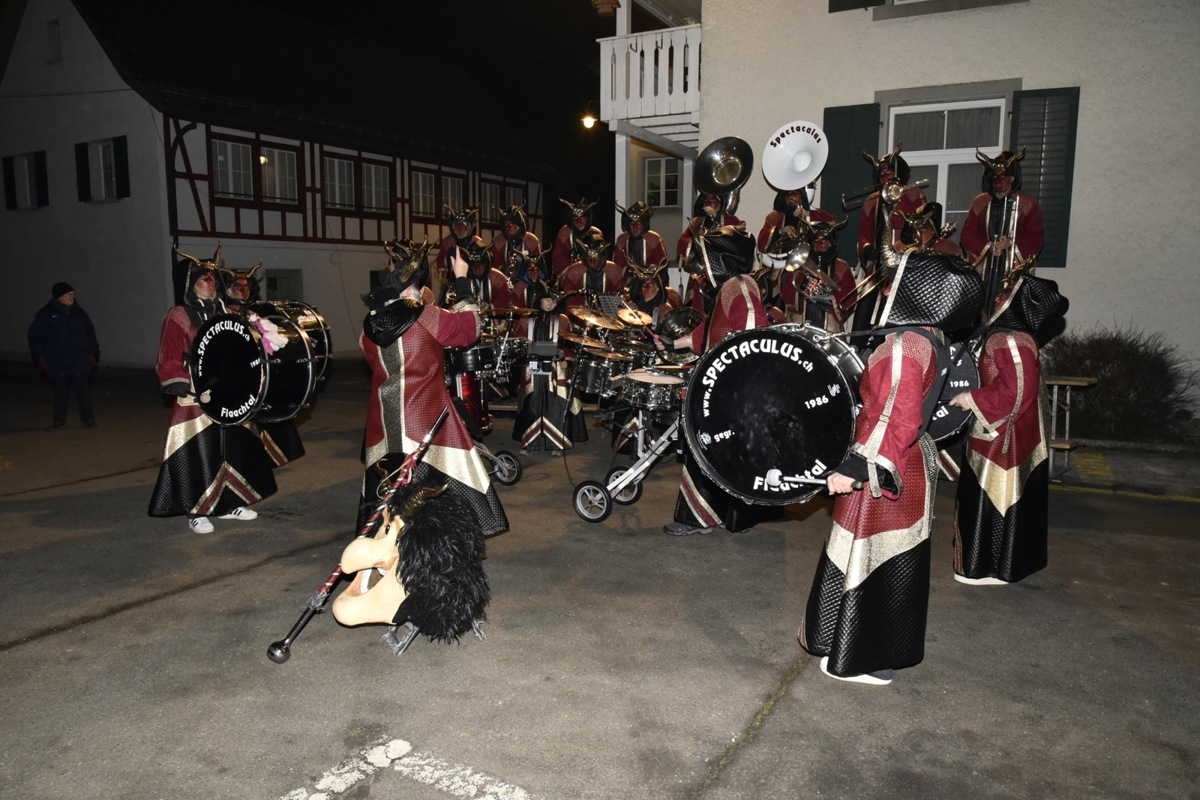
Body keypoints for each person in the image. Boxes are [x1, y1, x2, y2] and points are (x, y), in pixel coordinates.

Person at [797, 246, 985, 685]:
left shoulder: (906, 346)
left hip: (886, 467)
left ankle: (868, 659)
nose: (888, 283)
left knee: (878, 559)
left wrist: (858, 468)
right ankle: (841, 640)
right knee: (866, 556)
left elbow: (893, 415)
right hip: (903, 461)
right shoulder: (929, 338)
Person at [358, 241, 508, 539]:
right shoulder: (426, 317)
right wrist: (462, 280)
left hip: (384, 427)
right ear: (416, 282)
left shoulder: (368, 328)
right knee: (434, 499)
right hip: (426, 421)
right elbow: (469, 329)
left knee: (388, 496)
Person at [148, 245, 277, 534]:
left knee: (232, 448)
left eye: (211, 279)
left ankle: (229, 503)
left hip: (229, 393)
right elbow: (168, 355)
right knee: (198, 451)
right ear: (189, 284)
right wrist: (177, 381)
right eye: (202, 280)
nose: (209, 284)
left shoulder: (225, 310)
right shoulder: (178, 315)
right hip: (195, 394)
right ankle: (196, 509)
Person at [949, 275, 1068, 585]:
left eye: (1006, 295)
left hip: (1001, 440)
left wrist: (971, 398)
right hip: (1008, 433)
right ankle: (1000, 565)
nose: (998, 299)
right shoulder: (1015, 337)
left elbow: (1018, 391)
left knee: (991, 499)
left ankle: (986, 567)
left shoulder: (1008, 340)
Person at [655, 225, 771, 536]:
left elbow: (750, 332)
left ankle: (698, 518)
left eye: (706, 262)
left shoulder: (742, 288)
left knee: (706, 446)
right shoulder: (728, 288)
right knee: (711, 449)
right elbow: (708, 332)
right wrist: (671, 343)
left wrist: (736, 378)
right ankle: (709, 516)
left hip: (731, 388)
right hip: (721, 383)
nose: (701, 271)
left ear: (721, 260)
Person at [959, 147, 1045, 308]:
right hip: (985, 265)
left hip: (1012, 266)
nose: (998, 180)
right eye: (995, 176)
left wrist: (1011, 243)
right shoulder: (980, 202)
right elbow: (967, 234)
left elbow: (1036, 236)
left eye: (1003, 176)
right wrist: (989, 246)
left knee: (1009, 305)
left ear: (1012, 178)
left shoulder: (1026, 203)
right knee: (982, 306)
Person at [853, 147, 928, 331]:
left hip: (902, 264)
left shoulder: (914, 195)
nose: (885, 177)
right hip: (876, 267)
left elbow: (920, 229)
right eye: (882, 175)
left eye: (889, 172)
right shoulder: (872, 200)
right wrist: (867, 247)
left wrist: (901, 246)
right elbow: (863, 232)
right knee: (865, 312)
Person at [511, 283, 587, 455]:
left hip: (556, 368)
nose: (550, 303)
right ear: (539, 300)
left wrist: (567, 359)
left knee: (556, 403)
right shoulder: (526, 320)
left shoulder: (563, 320)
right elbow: (519, 344)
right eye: (547, 300)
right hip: (531, 369)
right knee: (531, 404)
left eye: (553, 301)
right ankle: (530, 444)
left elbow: (569, 344)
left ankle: (556, 445)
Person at [27, 282, 100, 431]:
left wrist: (93, 353)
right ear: (59, 296)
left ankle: (89, 419)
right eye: (69, 294)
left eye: (73, 294)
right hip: (58, 361)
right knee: (60, 393)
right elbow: (36, 337)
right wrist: (40, 357)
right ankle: (59, 421)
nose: (72, 296)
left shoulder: (79, 314)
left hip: (79, 360)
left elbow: (90, 334)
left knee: (83, 393)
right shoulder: (46, 315)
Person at [776, 218, 857, 332]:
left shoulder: (841, 266)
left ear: (830, 243)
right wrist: (804, 286)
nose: (818, 244)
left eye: (823, 241)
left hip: (829, 325)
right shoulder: (799, 264)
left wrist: (830, 298)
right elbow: (786, 293)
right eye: (815, 241)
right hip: (800, 325)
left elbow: (850, 296)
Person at [676, 191, 743, 265]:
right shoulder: (696, 221)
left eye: (711, 200)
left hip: (724, 267)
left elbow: (739, 243)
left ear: (719, 202)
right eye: (705, 201)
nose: (707, 204)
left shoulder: (730, 220)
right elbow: (682, 242)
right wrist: (697, 240)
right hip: (700, 268)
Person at [559, 234, 624, 309]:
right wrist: (577, 309)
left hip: (609, 316)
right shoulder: (574, 272)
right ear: (584, 255)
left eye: (596, 257)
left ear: (602, 255)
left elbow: (621, 296)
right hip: (581, 316)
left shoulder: (613, 271)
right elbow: (569, 299)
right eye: (589, 257)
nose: (592, 261)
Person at [613, 200, 668, 277]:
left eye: (638, 223)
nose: (635, 227)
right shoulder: (622, 240)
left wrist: (648, 271)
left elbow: (662, 267)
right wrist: (628, 271)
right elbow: (617, 268)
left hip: (650, 281)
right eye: (632, 224)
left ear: (644, 223)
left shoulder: (654, 239)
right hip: (629, 283)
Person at [550, 197, 602, 278]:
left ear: (587, 219)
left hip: (591, 274)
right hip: (569, 273)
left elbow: (601, 257)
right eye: (575, 219)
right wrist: (572, 271)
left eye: (581, 219)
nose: (578, 222)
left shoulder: (595, 233)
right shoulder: (564, 232)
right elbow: (558, 257)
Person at [490, 205, 541, 278]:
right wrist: (503, 269)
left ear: (519, 225)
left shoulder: (531, 240)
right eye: (505, 225)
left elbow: (538, 265)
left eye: (510, 225)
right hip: (504, 281)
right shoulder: (499, 240)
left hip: (527, 281)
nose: (507, 227)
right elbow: (494, 264)